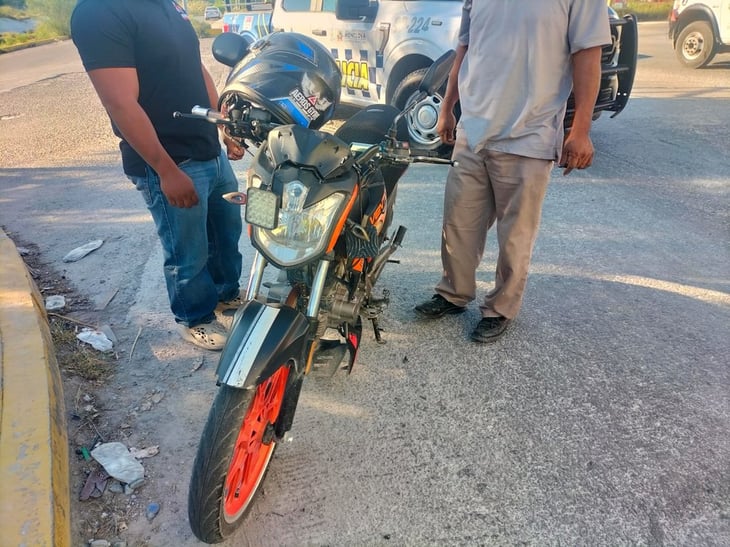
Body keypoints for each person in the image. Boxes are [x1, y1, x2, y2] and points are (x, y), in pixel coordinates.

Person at [415, 0, 610, 343]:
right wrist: (447, 107)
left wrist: (580, 130)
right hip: (474, 129)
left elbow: (588, 55)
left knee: (515, 236)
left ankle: (500, 308)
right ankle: (453, 293)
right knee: (458, 223)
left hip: (529, 134)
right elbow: (464, 49)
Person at [71, 0, 246, 351]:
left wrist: (224, 126)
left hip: (206, 147)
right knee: (188, 250)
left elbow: (194, 68)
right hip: (169, 159)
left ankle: (225, 295)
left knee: (226, 232)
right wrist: (166, 170)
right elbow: (120, 103)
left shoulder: (169, 6)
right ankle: (194, 316)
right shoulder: (99, 11)